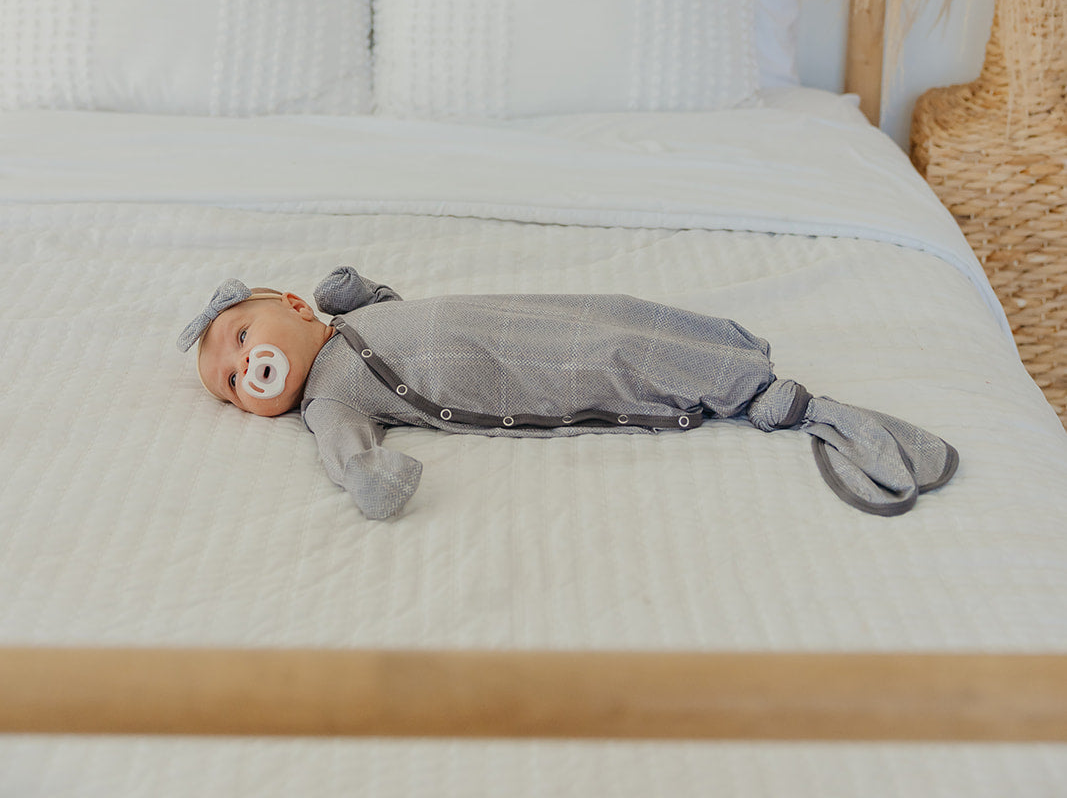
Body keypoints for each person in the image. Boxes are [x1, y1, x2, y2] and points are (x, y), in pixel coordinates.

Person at [178, 265, 958, 522]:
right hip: (516, 372)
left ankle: (729, 354)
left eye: (241, 339)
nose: (244, 369)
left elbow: (395, 311)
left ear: (295, 307)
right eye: (230, 385)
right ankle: (774, 401)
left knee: (612, 316)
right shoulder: (327, 401)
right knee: (607, 359)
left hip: (519, 314)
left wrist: (360, 293)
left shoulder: (348, 322)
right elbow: (348, 453)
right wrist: (370, 478)